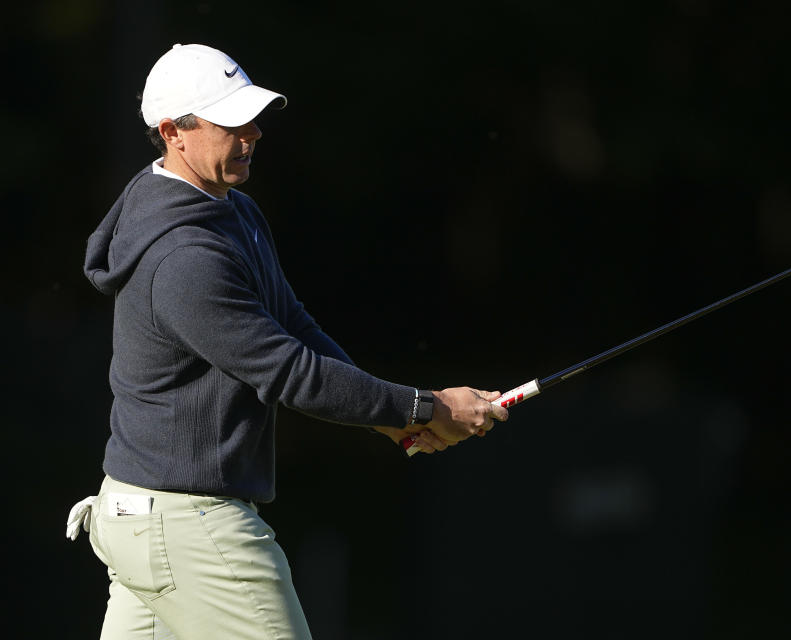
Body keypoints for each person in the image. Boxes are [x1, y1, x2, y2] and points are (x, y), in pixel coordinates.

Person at [66, 43, 508, 640]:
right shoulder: (183, 258)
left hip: (142, 517)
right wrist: (425, 406)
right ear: (173, 132)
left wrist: (387, 419)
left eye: (250, 118)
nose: (250, 134)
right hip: (190, 527)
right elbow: (289, 372)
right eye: (230, 123)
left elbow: (295, 327)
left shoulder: (236, 212)